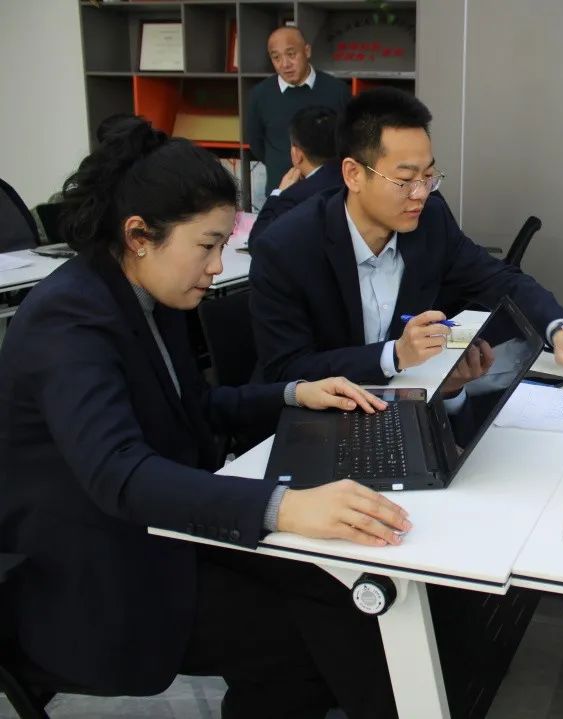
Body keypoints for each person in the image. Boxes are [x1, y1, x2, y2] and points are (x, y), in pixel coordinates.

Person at [0, 116, 408, 718]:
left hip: (154, 526)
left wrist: (294, 393)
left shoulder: (143, 291)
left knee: (334, 587)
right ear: (139, 235)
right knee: (295, 639)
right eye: (208, 245)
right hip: (89, 569)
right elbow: (119, 474)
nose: (218, 265)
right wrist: (285, 507)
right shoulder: (69, 322)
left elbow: (190, 408)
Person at [249, 87, 563, 386]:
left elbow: (500, 279)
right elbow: (287, 370)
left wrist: (560, 330)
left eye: (428, 176)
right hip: (316, 421)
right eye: (405, 180)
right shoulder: (286, 248)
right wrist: (394, 356)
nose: (421, 193)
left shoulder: (430, 220)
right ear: (353, 174)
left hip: (405, 405)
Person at [245, 26, 350, 194]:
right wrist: (280, 163)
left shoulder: (337, 90)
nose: (285, 64)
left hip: (329, 192)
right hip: (281, 191)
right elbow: (256, 143)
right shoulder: (259, 94)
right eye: (276, 57)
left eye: (291, 54)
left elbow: (348, 140)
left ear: (307, 51)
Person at [249, 105, 343, 248]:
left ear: (297, 154)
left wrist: (278, 194)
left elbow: (258, 244)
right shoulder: (355, 180)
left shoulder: (294, 196)